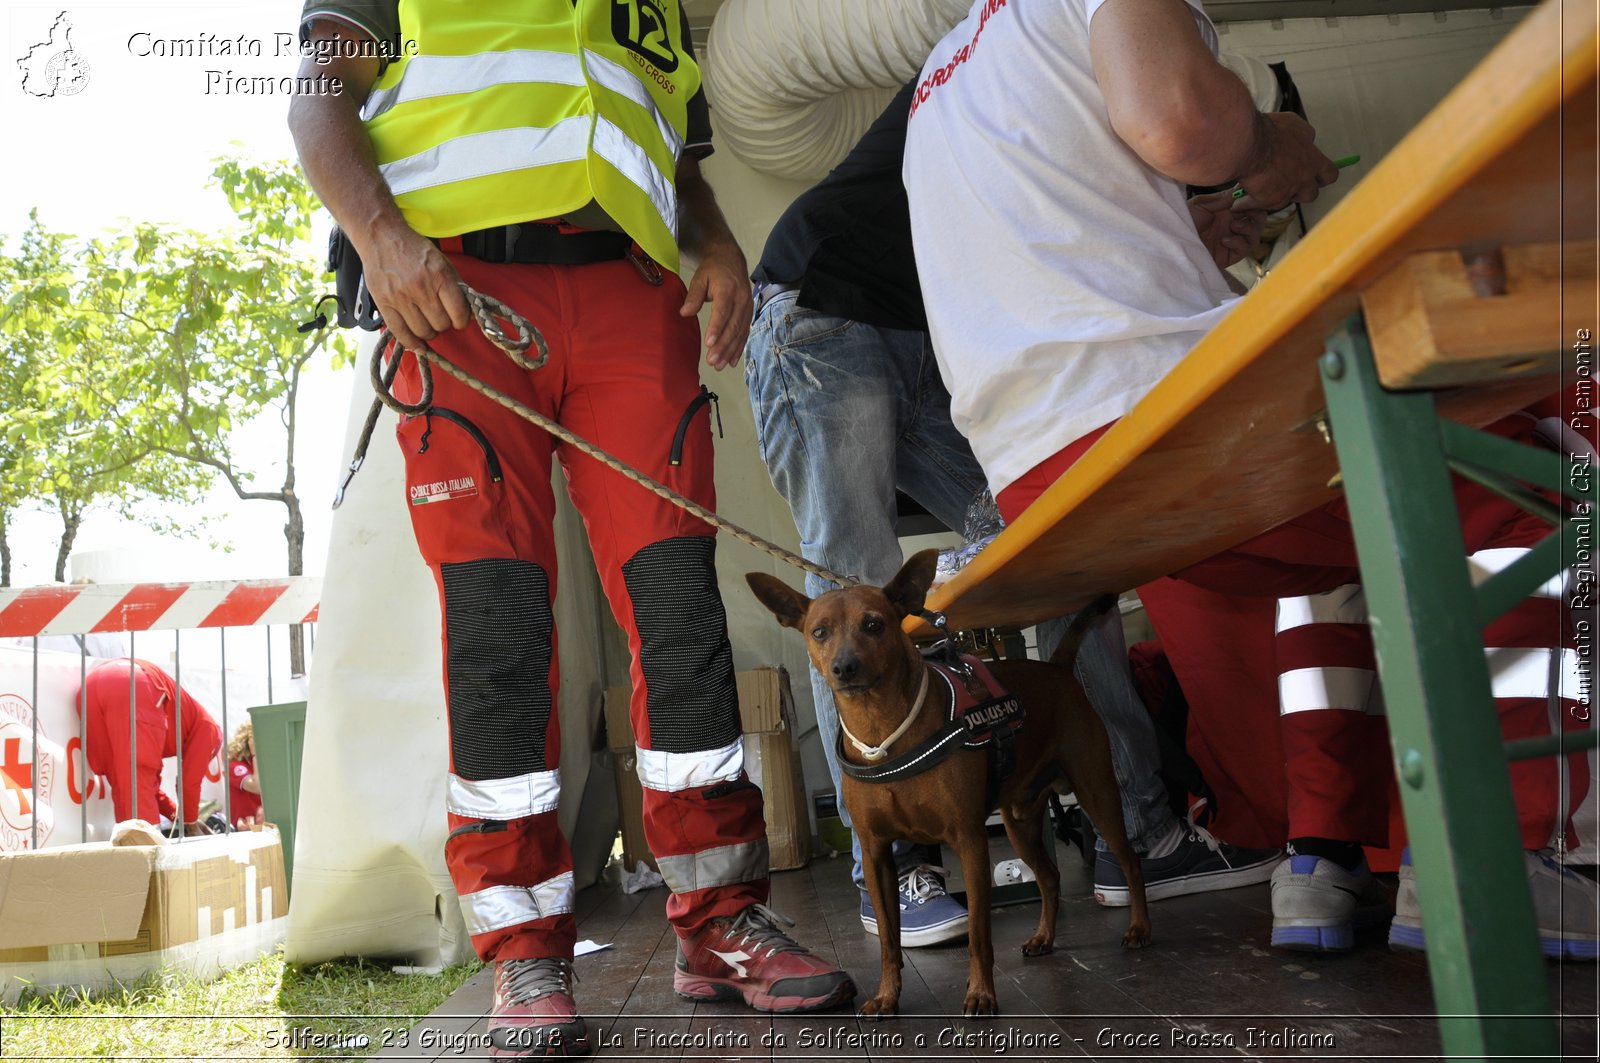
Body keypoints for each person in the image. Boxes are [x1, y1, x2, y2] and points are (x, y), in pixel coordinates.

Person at [903, 0, 1594, 957]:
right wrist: (1265, 140)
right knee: (1537, 462)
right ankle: (1509, 855)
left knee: (1337, 541)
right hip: (1159, 429)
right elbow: (1182, 120)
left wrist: (1184, 235)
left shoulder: (945, 72)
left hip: (1050, 471)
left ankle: (1318, 858)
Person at [288, 4, 853, 1057]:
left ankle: (718, 918)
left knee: (681, 609)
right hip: (456, 292)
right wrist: (379, 239)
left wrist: (716, 241)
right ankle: (524, 947)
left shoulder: (647, 7)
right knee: (499, 627)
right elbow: (318, 96)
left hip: (634, 301)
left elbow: (666, 155)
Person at [746, 78, 1279, 950]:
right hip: (823, 309)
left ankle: (1139, 831)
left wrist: (1183, 228)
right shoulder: (1027, 58)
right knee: (847, 583)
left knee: (1053, 526)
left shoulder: (1086, 110)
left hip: (921, 338)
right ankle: (897, 872)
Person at [79, 658, 222, 837]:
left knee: (122, 776)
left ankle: (131, 848)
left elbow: (147, 785)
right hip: (136, 683)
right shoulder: (209, 729)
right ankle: (146, 855)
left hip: (90, 686)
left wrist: (177, 815)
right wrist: (191, 824)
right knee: (137, 773)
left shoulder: (184, 719)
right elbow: (189, 783)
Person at [226, 718, 264, 830]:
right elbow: (257, 786)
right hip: (244, 830)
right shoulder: (234, 765)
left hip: (264, 828)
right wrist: (255, 753)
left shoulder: (260, 765)